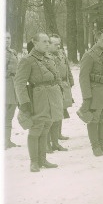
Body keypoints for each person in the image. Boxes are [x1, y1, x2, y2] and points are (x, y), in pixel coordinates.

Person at [15, 33, 62, 172]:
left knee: (46, 127)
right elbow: (19, 83)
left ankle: (43, 159)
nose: (47, 44)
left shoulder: (48, 58)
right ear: (35, 43)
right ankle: (34, 162)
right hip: (38, 98)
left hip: (52, 97)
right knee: (36, 129)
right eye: (44, 41)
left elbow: (56, 76)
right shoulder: (27, 60)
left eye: (48, 41)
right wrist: (24, 103)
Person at [47, 34, 72, 152]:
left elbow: (67, 68)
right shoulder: (46, 56)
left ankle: (56, 139)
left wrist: (70, 81)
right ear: (49, 44)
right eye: (55, 44)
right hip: (52, 87)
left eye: (59, 44)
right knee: (51, 116)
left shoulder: (62, 53)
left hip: (63, 85)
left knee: (60, 112)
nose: (58, 46)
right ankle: (48, 142)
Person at [6, 32, 20, 149]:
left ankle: (7, 140)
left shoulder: (13, 52)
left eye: (9, 38)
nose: (7, 40)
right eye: (4, 38)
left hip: (13, 85)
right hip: (5, 84)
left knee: (9, 114)